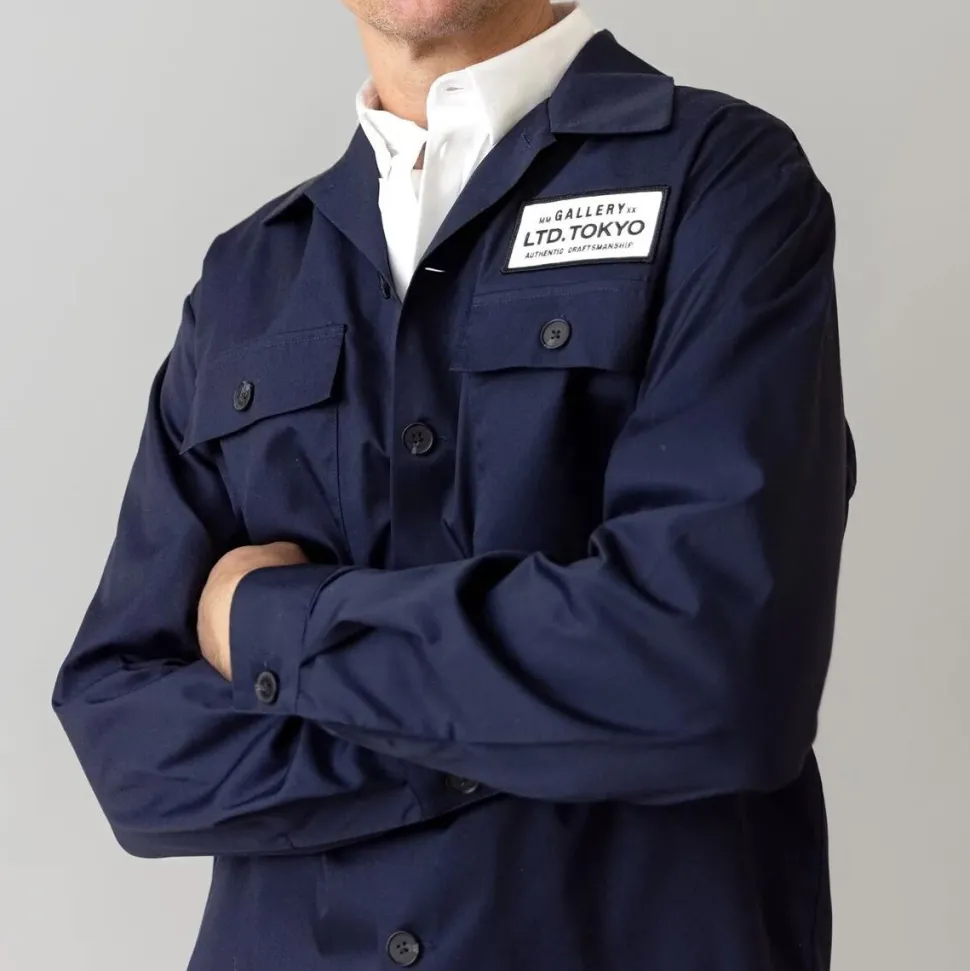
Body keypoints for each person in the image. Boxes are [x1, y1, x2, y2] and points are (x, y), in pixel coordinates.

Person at [52, 1, 856, 969]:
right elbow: (129, 745)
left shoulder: (722, 181)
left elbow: (711, 670)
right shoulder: (248, 275)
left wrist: (275, 626)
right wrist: (525, 735)